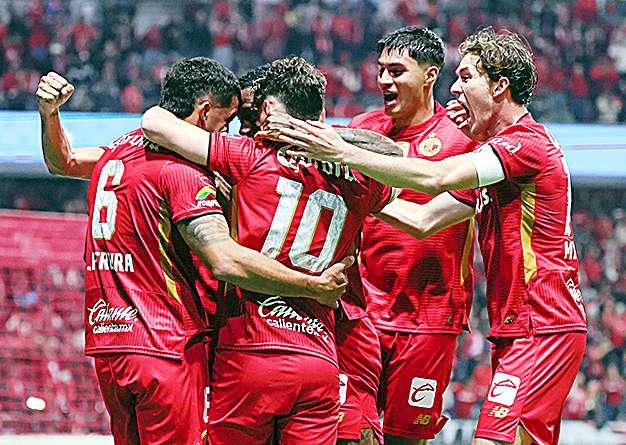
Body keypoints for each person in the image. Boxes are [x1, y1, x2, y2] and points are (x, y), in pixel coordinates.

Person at [268, 28, 587, 445]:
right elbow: (424, 217)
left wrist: (341, 152)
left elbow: (435, 178)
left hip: (537, 323)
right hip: (517, 326)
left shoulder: (524, 144)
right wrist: (359, 189)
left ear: (499, 86)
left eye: (467, 77)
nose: (455, 88)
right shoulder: (497, 153)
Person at [36, 57, 352, 445]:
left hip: (110, 341)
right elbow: (224, 259)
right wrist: (312, 286)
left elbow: (63, 161)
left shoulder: (118, 151)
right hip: (166, 344)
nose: (230, 132)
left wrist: (49, 115)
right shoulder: (183, 171)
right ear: (204, 112)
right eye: (226, 121)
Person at [141, 56, 397, 445]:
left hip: (249, 350)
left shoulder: (249, 155)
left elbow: (155, 123)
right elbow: (394, 172)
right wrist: (330, 143)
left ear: (267, 110)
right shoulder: (361, 177)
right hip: (317, 357)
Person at [346, 26, 476, 445]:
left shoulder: (463, 137)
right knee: (349, 433)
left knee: (405, 438)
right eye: (381, 69)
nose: (384, 80)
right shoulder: (362, 131)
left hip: (429, 316)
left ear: (430, 75)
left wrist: (368, 194)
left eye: (397, 71)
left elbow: (426, 221)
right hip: (361, 311)